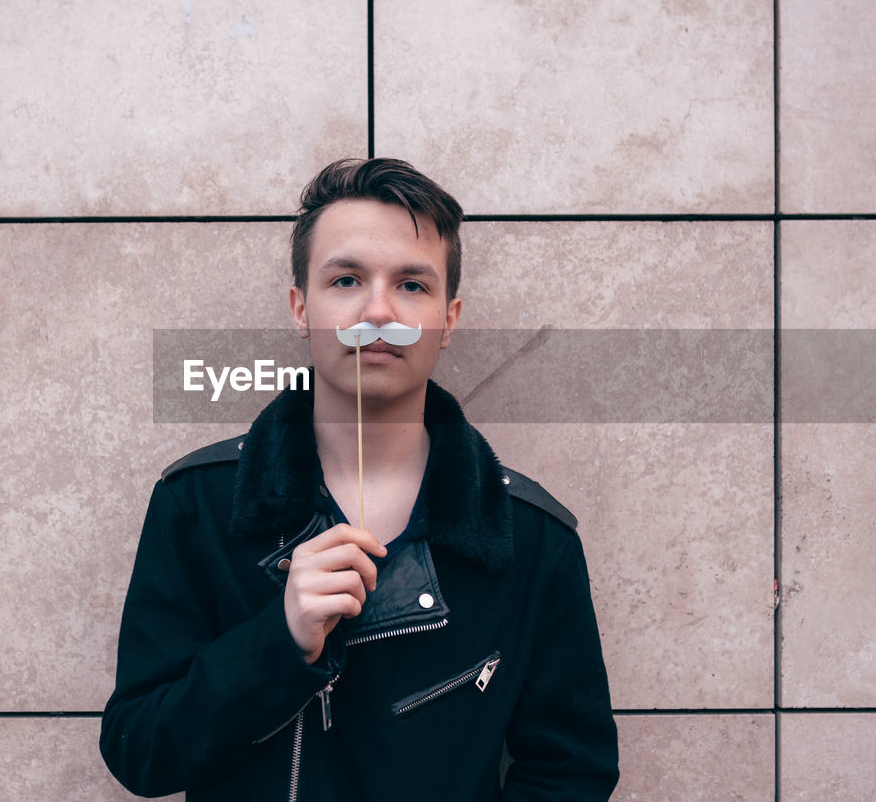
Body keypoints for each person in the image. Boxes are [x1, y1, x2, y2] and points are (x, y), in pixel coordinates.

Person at [100, 158, 618, 800]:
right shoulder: (199, 504)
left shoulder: (534, 540)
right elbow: (139, 752)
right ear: (300, 308)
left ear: (449, 319)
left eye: (412, 285)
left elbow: (573, 770)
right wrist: (280, 643)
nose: (378, 311)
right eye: (346, 279)